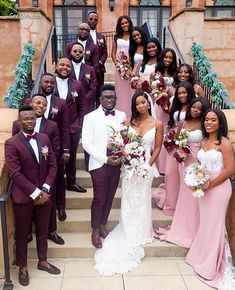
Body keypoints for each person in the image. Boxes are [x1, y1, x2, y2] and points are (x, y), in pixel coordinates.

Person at [94, 90, 163, 276]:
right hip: (129, 168)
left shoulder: (158, 124)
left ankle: (142, 232)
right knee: (129, 199)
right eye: (138, 103)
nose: (141, 106)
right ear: (134, 105)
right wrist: (125, 156)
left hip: (145, 167)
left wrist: (148, 166)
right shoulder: (128, 122)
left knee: (142, 200)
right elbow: (120, 143)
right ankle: (127, 229)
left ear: (148, 103)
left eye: (143, 102)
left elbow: (157, 148)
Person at [5, 105, 60, 287]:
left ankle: (42, 261)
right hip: (23, 197)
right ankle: (23, 267)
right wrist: (36, 193)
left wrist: (45, 189)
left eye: (32, 119)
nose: (29, 121)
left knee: (43, 231)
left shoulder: (44, 138)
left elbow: (52, 164)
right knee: (22, 234)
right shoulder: (12, 143)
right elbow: (15, 173)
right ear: (19, 121)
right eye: (25, 119)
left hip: (44, 195)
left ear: (36, 120)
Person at [186, 109, 235, 288]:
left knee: (215, 224)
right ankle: (201, 256)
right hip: (203, 188)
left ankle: (211, 265)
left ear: (220, 122)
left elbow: (230, 170)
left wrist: (208, 184)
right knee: (206, 223)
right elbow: (201, 164)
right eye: (206, 120)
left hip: (219, 188)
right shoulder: (204, 141)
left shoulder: (224, 143)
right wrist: (195, 178)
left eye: (213, 120)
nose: (208, 122)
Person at [155, 97, 211, 248]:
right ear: (190, 107)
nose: (196, 110)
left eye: (199, 109)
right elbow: (176, 141)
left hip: (199, 162)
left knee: (196, 195)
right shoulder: (183, 122)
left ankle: (197, 228)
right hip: (185, 162)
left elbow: (208, 143)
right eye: (194, 107)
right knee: (185, 193)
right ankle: (184, 226)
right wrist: (180, 153)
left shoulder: (205, 124)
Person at [12, 94, 65, 245]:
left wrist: (47, 173)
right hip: (26, 174)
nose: (40, 106)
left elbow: (55, 147)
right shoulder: (17, 124)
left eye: (44, 104)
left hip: (46, 173)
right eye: (37, 103)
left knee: (49, 203)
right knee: (27, 207)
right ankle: (27, 232)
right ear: (31, 103)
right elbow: (16, 146)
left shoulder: (52, 125)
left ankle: (51, 231)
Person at [82, 84, 126, 249]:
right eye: (106, 97)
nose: (109, 100)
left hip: (117, 163)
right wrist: (105, 159)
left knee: (110, 196)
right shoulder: (90, 117)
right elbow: (86, 144)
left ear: (116, 98)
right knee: (99, 197)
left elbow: (125, 137)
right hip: (99, 163)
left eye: (112, 97)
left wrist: (122, 155)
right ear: (100, 99)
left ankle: (102, 224)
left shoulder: (121, 115)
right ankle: (94, 229)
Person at [154, 81, 196, 215]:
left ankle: (185, 206)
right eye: (179, 93)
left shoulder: (195, 107)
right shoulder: (175, 106)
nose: (182, 95)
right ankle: (173, 204)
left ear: (190, 93)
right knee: (171, 174)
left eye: (184, 92)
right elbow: (170, 123)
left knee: (184, 176)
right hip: (174, 143)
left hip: (189, 144)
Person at [40, 73, 71, 222]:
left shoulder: (61, 103)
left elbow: (65, 128)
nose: (49, 85)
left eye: (52, 83)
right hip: (36, 150)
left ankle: (61, 207)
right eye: (46, 82)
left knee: (59, 179)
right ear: (41, 83)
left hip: (55, 148)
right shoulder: (31, 101)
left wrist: (66, 150)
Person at [54, 57, 87, 196]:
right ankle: (56, 183)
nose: (65, 68)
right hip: (53, 128)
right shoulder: (49, 83)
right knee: (55, 156)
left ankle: (71, 182)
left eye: (68, 66)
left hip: (72, 127)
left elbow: (82, 107)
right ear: (56, 67)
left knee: (71, 156)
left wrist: (78, 125)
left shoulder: (78, 85)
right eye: (62, 65)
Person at [153, 48, 177, 174]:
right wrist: (161, 102)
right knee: (159, 134)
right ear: (161, 58)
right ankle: (159, 166)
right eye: (165, 57)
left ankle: (169, 166)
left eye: (170, 58)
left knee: (170, 133)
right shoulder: (156, 73)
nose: (168, 60)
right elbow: (154, 90)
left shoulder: (176, 73)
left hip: (173, 104)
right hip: (159, 104)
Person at [111, 15, 133, 117]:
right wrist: (118, 65)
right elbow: (113, 53)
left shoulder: (133, 35)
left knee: (130, 90)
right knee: (120, 91)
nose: (125, 25)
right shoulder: (117, 37)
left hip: (131, 66)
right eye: (123, 23)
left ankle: (131, 113)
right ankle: (120, 113)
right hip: (120, 67)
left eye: (126, 22)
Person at [87, 11, 108, 107]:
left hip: (99, 69)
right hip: (88, 69)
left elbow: (105, 52)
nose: (93, 21)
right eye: (91, 19)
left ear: (97, 22)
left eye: (95, 20)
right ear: (87, 20)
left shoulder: (101, 37)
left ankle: (100, 109)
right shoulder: (84, 36)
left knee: (100, 91)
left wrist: (100, 62)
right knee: (90, 91)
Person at [69, 42, 97, 113]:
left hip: (86, 106)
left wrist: (82, 99)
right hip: (69, 105)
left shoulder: (90, 69)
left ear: (83, 54)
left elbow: (93, 89)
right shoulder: (66, 69)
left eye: (80, 52)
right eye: (75, 51)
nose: (77, 53)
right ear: (70, 52)